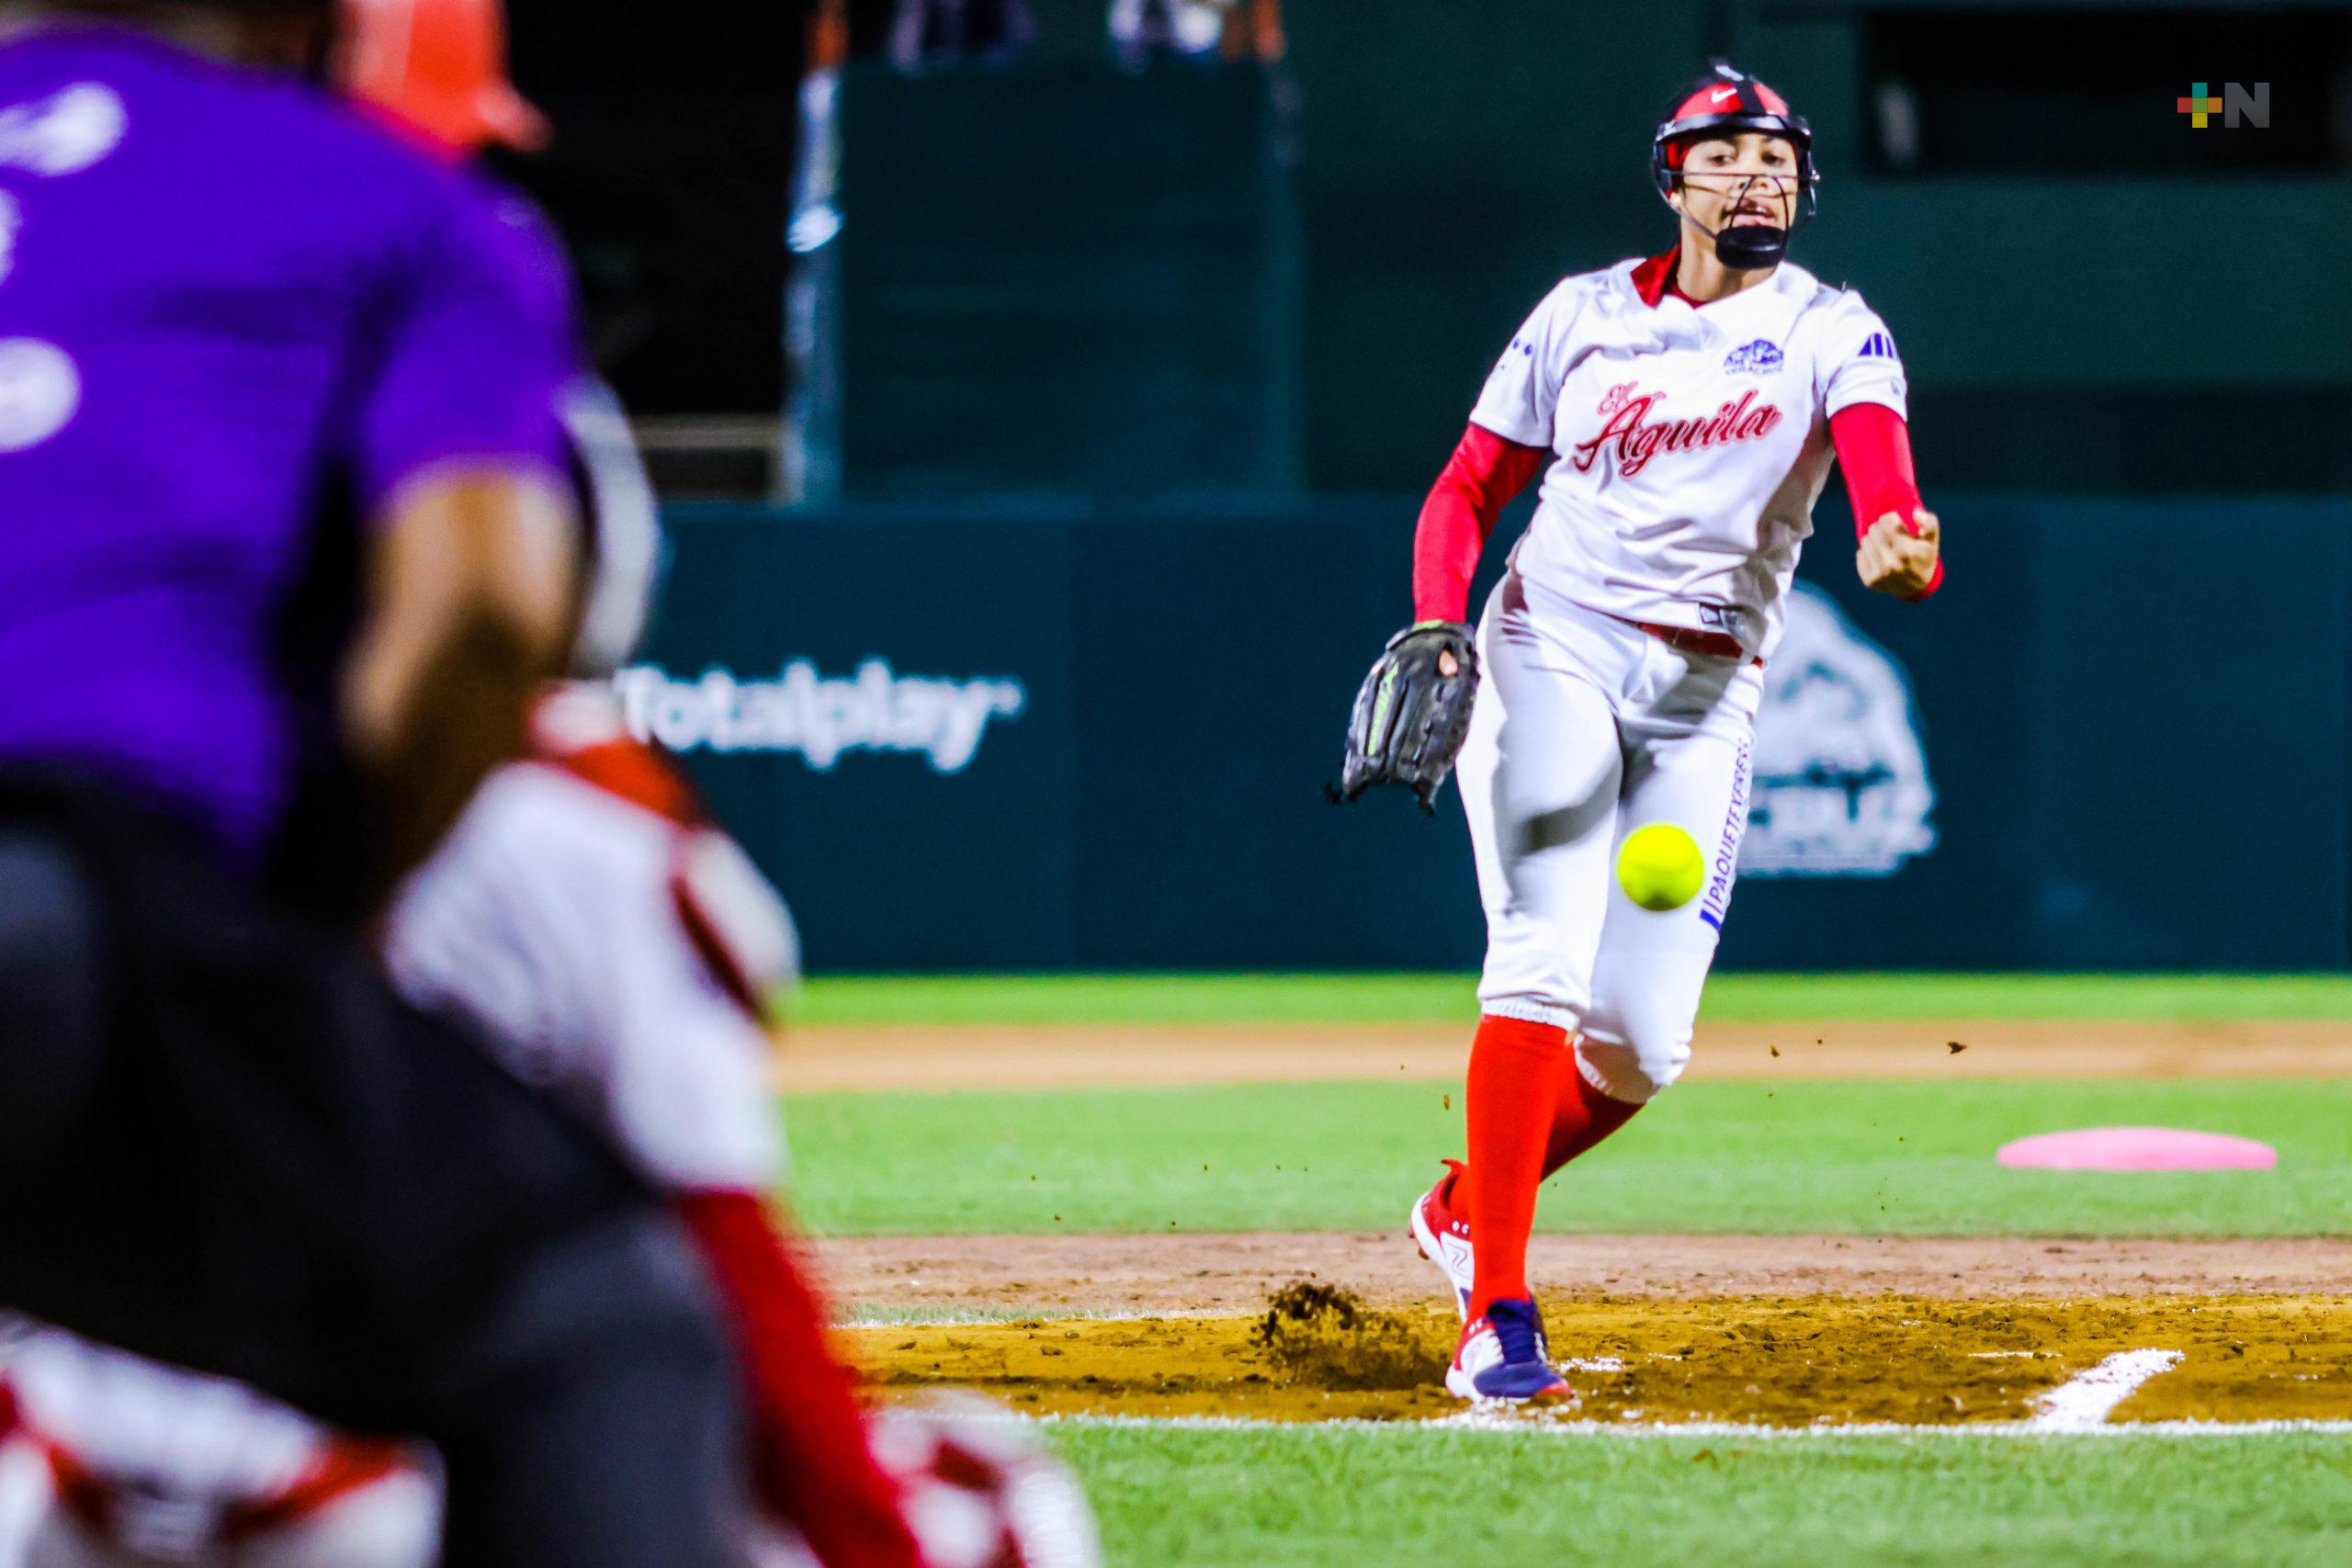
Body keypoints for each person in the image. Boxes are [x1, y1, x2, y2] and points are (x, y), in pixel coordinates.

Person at [0, 2, 746, 1561]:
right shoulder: (379, 204)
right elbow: (478, 611)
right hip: (62, 888)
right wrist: (318, 902)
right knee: (589, 1324)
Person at [1363, 61, 1942, 1402]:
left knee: (1639, 1046)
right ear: (1673, 180)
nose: (1757, 178)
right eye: (1725, 156)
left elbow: (1882, 477)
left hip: (1707, 694)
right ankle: (1496, 1316)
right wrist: (1440, 618)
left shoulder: (1835, 331)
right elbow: (1466, 487)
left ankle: (1463, 1210)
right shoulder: (1580, 316)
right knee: (1542, 959)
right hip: (1550, 647)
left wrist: (1896, 536)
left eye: (1777, 158)